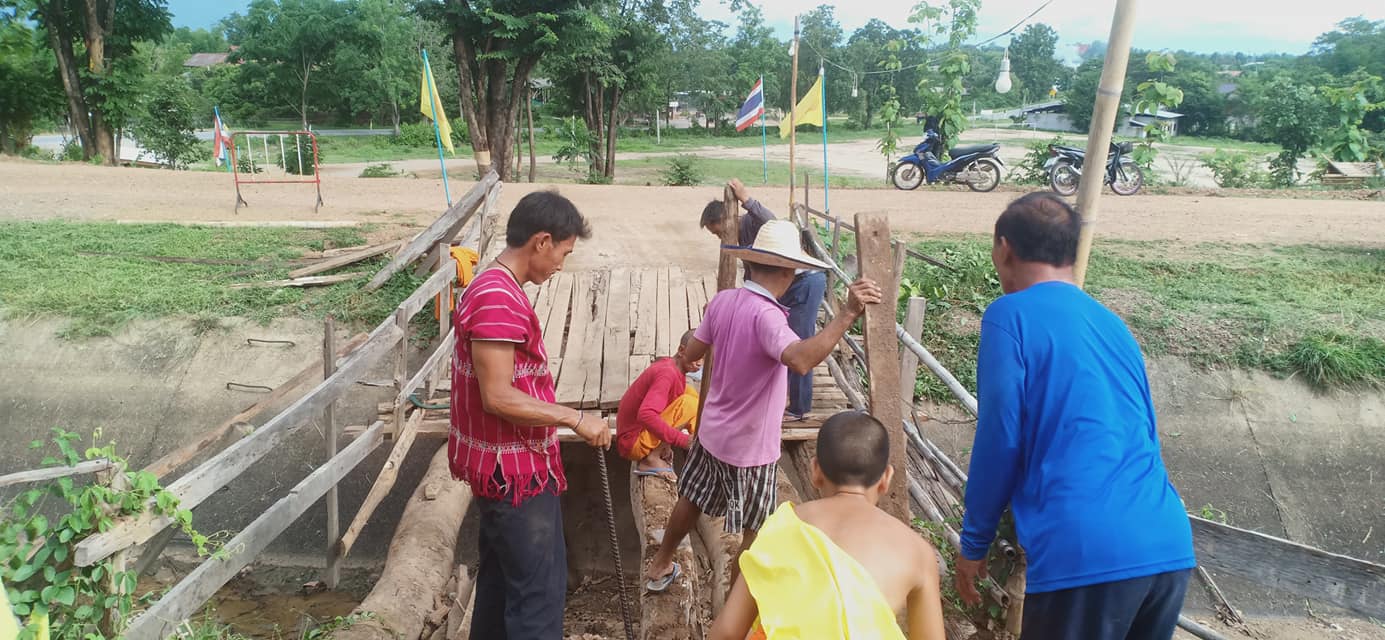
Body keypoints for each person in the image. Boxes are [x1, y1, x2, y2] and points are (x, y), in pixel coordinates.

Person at [955, 192, 1195, 640]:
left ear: (1003, 247)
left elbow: (1000, 439)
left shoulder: (1010, 316)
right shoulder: (1112, 324)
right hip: (1166, 544)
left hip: (1086, 553)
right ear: (1070, 251)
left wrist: (974, 543)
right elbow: (1145, 429)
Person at [644, 219, 882, 592]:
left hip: (711, 432)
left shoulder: (723, 301)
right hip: (751, 449)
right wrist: (846, 315)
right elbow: (801, 360)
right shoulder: (769, 317)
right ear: (788, 272)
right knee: (754, 534)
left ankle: (661, 562)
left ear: (751, 264)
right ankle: (736, 614)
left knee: (691, 497)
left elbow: (692, 351)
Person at [449, 190, 612, 640]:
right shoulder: (497, 297)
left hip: (510, 469)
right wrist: (574, 418)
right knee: (539, 598)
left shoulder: (498, 288)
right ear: (541, 242)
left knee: (502, 587)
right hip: (514, 474)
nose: (562, 264)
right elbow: (498, 396)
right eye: (563, 251)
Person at [708, 411, 947, 640]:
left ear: (815, 471)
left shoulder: (782, 526)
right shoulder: (918, 552)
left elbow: (728, 631)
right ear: (886, 479)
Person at [699, 178, 827, 421]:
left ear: (726, 221)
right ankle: (785, 395)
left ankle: (799, 408)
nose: (719, 238)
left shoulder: (753, 223)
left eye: (718, 232)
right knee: (783, 337)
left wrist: (747, 200)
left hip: (804, 282)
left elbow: (773, 221)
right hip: (787, 284)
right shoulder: (745, 240)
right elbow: (753, 278)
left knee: (799, 342)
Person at [616, 329, 703, 479]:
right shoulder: (666, 374)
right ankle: (651, 459)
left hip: (639, 433)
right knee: (688, 404)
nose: (700, 363)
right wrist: (681, 440)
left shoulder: (674, 367)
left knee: (691, 395)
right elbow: (646, 415)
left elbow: (666, 407)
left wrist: (667, 444)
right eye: (696, 356)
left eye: (704, 357)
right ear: (681, 350)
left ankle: (702, 443)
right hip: (632, 441)